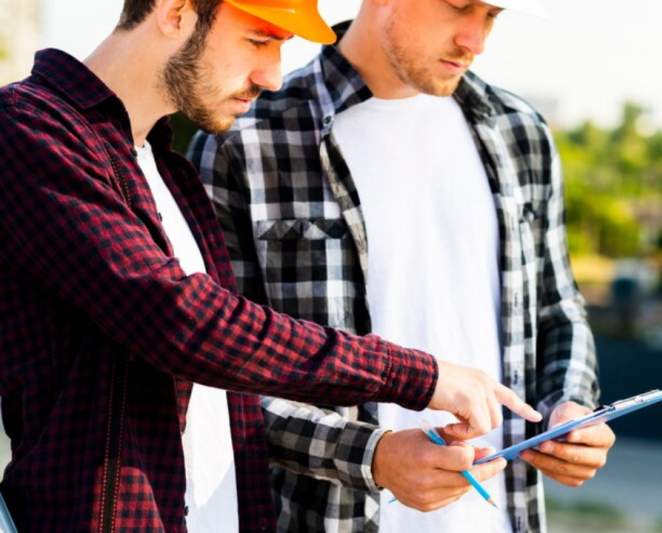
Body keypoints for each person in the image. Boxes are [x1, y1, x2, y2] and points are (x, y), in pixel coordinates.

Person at [0, 0, 543, 531]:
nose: (273, 76)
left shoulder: (169, 173)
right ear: (175, 11)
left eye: (281, 47)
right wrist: (417, 375)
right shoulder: (27, 131)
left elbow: (239, 376)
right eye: (258, 40)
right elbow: (188, 323)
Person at [188, 0, 617, 531]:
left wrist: (571, 406)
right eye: (459, 7)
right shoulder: (246, 138)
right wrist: (375, 457)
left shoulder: (520, 132)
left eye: (492, 16)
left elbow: (558, 308)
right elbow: (215, 373)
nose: (475, 40)